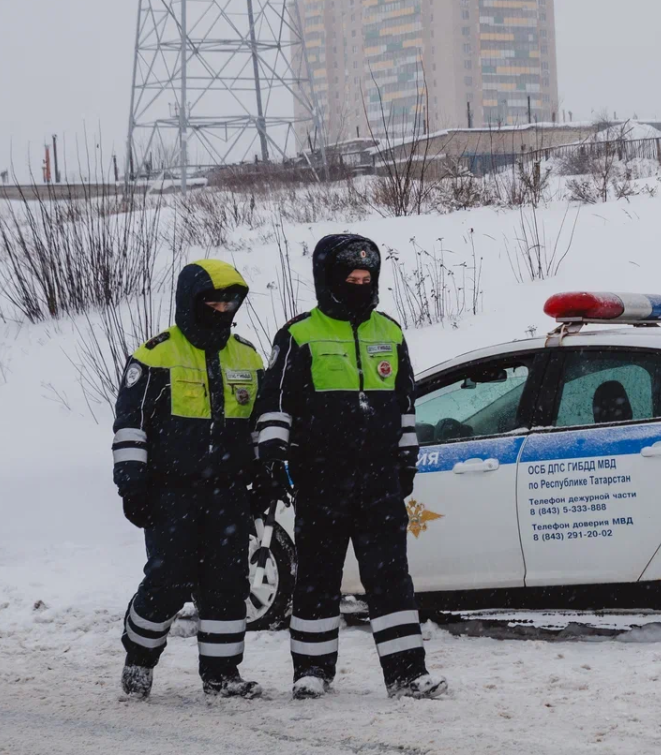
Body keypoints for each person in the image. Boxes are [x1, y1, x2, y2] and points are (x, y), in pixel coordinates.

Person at [254, 233, 447, 701]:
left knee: (391, 577)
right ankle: (312, 671)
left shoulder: (390, 332)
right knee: (319, 576)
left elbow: (405, 406)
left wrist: (406, 459)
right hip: (322, 477)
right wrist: (273, 459)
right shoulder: (299, 334)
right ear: (329, 281)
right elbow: (275, 405)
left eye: (367, 279)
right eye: (351, 279)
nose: (361, 286)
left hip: (379, 480)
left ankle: (406, 673)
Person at [113, 260, 265, 700]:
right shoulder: (155, 354)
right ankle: (139, 659)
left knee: (227, 583)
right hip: (170, 491)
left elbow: (258, 426)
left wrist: (266, 473)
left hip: (229, 492)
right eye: (212, 301)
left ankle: (222, 674)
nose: (222, 309)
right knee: (169, 580)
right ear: (190, 302)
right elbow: (130, 427)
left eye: (229, 301)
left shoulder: (247, 356)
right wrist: (132, 484)